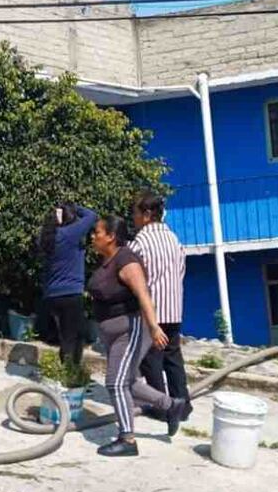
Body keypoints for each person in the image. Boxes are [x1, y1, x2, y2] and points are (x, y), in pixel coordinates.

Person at [88, 216, 192, 457]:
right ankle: (172, 405)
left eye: (97, 232)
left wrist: (155, 327)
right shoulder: (108, 261)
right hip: (113, 333)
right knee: (129, 382)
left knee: (115, 383)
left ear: (111, 236)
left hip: (130, 329)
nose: (93, 236)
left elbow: (143, 293)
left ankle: (128, 439)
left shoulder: (126, 259)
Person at [130, 191, 191, 410]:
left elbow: (131, 274)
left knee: (150, 359)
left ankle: (162, 406)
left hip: (152, 313)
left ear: (146, 214)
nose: (134, 218)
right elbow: (181, 269)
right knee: (173, 356)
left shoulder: (140, 242)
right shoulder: (173, 238)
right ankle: (182, 403)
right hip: (174, 307)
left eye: (135, 213)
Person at [39, 202, 98, 366]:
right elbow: (92, 216)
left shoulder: (46, 237)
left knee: (65, 337)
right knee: (74, 338)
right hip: (70, 294)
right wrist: (72, 206)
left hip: (52, 295)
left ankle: (66, 370)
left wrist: (60, 211)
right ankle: (70, 375)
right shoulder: (70, 233)